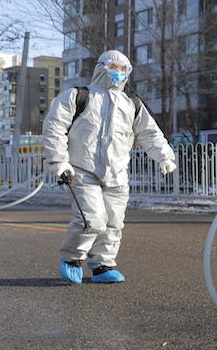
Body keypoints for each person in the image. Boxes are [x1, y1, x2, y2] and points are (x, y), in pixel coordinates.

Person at [41, 50, 176, 285]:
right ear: (101, 66)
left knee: (113, 222)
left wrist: (164, 156)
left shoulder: (131, 104)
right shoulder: (77, 97)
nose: (119, 72)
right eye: (114, 66)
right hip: (82, 171)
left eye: (124, 69)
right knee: (91, 219)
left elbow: (149, 132)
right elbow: (54, 128)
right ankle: (72, 259)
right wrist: (59, 161)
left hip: (117, 173)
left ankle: (102, 265)